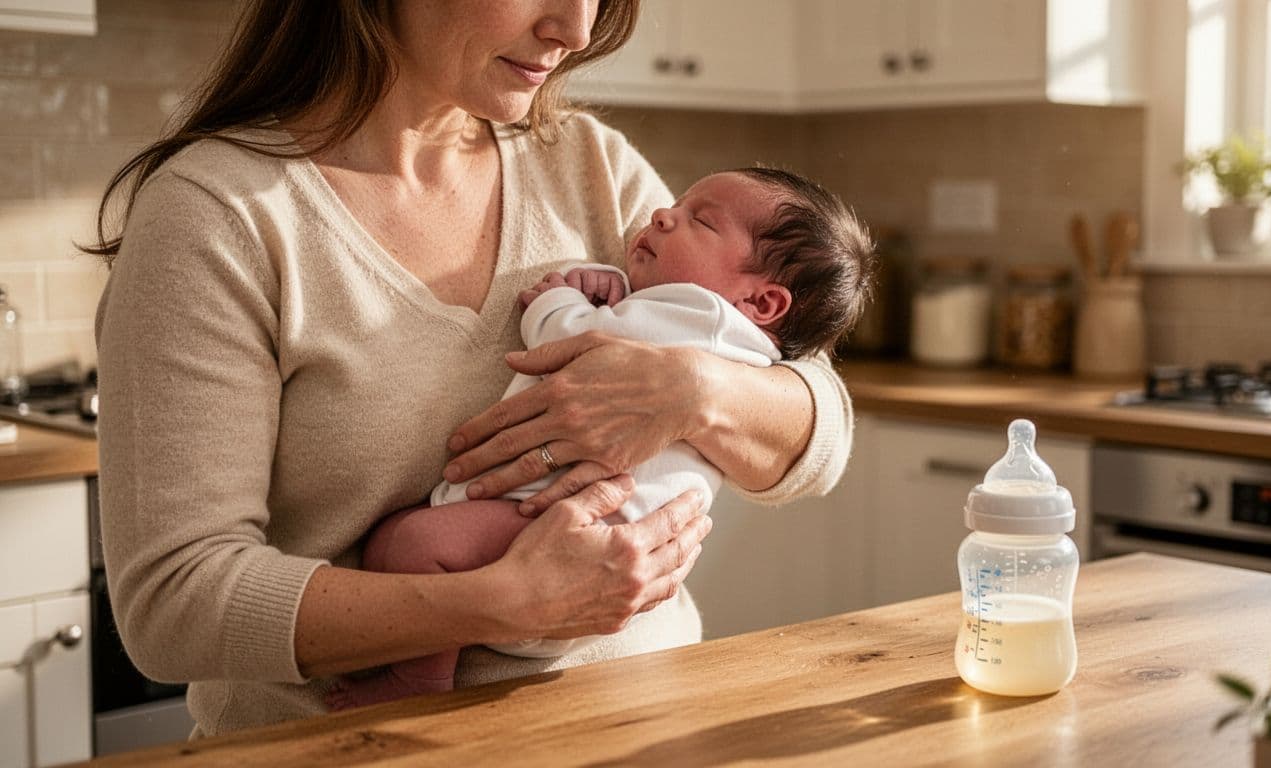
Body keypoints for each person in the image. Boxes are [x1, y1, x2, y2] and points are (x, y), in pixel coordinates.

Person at [89, 0, 855, 736]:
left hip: (648, 730)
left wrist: (694, 391)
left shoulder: (588, 164)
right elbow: (174, 604)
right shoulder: (219, 214)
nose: (576, 28)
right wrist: (502, 605)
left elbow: (817, 416)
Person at [329, 167, 875, 709]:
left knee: (410, 546)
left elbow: (568, 337)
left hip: (570, 537)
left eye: (699, 221)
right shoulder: (728, 332)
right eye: (679, 203)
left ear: (762, 303)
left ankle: (419, 685)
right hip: (604, 564)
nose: (662, 214)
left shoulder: (701, 315)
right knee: (401, 543)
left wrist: (559, 295)